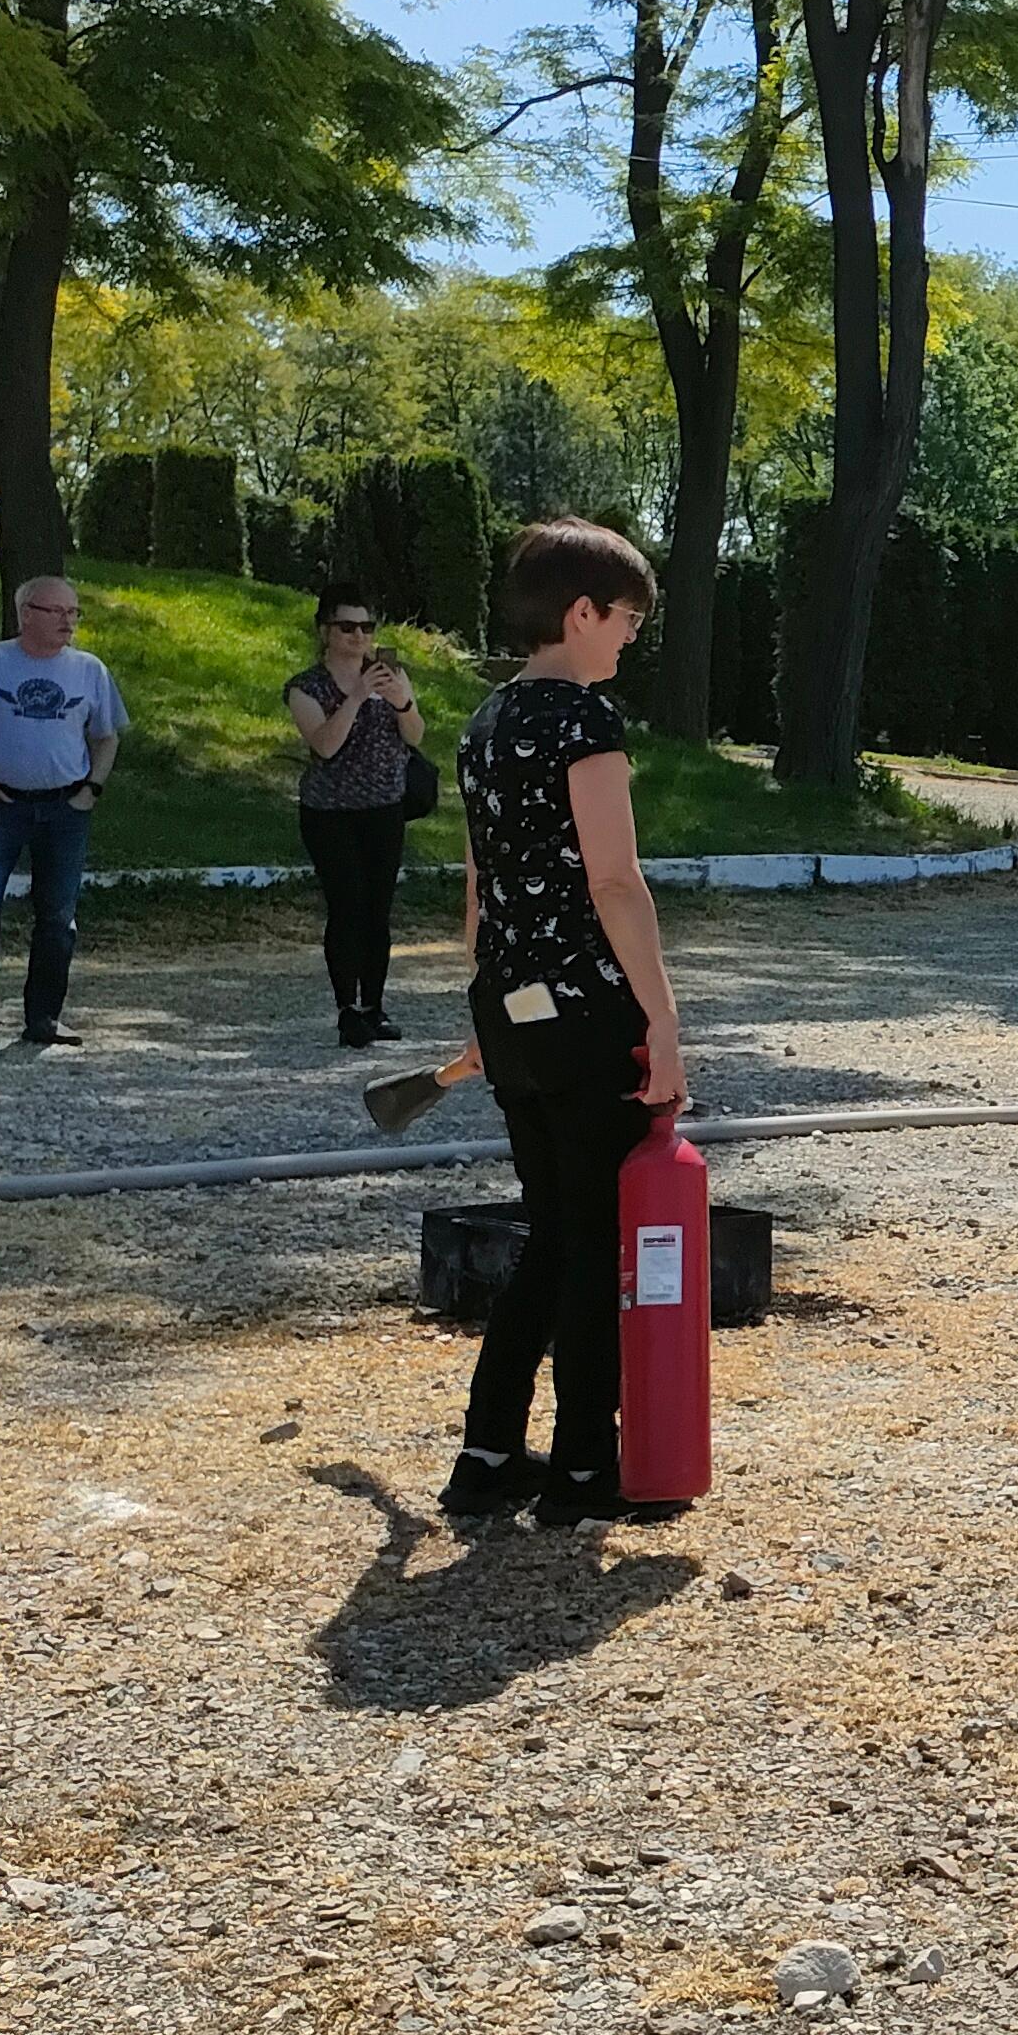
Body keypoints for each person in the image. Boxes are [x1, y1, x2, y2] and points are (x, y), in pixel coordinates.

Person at [444, 517, 690, 1528]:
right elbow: (614, 880)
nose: (631, 636)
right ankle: (587, 1469)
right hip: (588, 1008)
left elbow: (479, 885)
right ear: (583, 612)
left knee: (551, 1229)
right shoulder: (586, 723)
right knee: (595, 1241)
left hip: (511, 1006)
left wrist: (489, 1008)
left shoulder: (483, 722)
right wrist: (662, 1018)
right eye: (628, 618)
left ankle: (488, 1451)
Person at [0, 574, 126, 1054]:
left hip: (65, 808)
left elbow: (107, 736)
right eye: (57, 611)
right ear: (26, 614)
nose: (68, 621)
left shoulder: (89, 670)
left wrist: (91, 791)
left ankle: (43, 1017)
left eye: (73, 612)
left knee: (58, 917)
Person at [285, 589, 429, 1047]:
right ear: (325, 631)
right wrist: (357, 697)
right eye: (347, 627)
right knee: (347, 906)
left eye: (367, 627)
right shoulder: (306, 688)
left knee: (378, 910)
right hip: (330, 812)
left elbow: (415, 736)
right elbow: (325, 745)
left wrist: (402, 701)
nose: (359, 637)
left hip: (385, 807)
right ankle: (347, 1008)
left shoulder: (391, 676)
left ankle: (374, 1006)